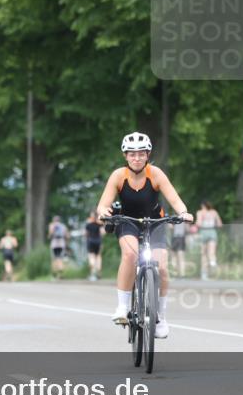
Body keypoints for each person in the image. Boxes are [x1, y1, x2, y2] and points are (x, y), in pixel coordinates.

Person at [96, 132, 193, 340]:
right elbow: (103, 204)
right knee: (130, 256)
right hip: (127, 222)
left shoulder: (155, 174)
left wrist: (183, 213)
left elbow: (175, 199)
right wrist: (104, 212)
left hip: (154, 223)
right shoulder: (118, 176)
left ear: (148, 154)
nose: (137, 158)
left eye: (141, 154)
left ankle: (161, 317)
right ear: (125, 156)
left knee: (163, 267)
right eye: (132, 154)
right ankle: (122, 308)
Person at [196, 201, 223, 280]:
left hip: (203, 232)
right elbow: (220, 224)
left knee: (203, 254)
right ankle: (213, 263)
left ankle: (204, 274)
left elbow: (199, 223)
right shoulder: (214, 212)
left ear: (202, 205)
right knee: (211, 252)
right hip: (212, 232)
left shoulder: (200, 212)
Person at [84, 213, 103, 281]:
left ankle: (92, 273)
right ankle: (98, 273)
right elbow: (102, 233)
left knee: (91, 257)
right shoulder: (99, 224)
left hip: (90, 241)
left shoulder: (88, 225)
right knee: (98, 257)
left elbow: (86, 234)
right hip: (98, 241)